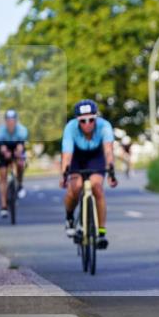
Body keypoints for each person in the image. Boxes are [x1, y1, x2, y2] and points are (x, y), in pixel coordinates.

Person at [60, 100, 117, 249]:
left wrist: (111, 172)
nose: (87, 124)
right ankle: (70, 217)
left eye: (91, 120)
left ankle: (101, 232)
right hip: (76, 157)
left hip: (95, 157)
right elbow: (67, 155)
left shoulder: (104, 126)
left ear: (96, 118)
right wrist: (64, 175)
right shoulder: (70, 128)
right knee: (75, 188)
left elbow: (108, 151)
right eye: (83, 121)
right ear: (77, 121)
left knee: (97, 187)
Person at [0, 109, 28, 218]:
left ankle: (20, 183)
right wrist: (6, 153)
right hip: (4, 148)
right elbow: (2, 147)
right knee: (3, 175)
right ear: (5, 121)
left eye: (13, 121)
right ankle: (3, 207)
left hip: (16, 146)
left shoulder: (22, 130)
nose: (11, 123)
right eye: (8, 121)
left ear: (16, 121)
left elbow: (20, 146)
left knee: (20, 163)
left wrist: (18, 153)